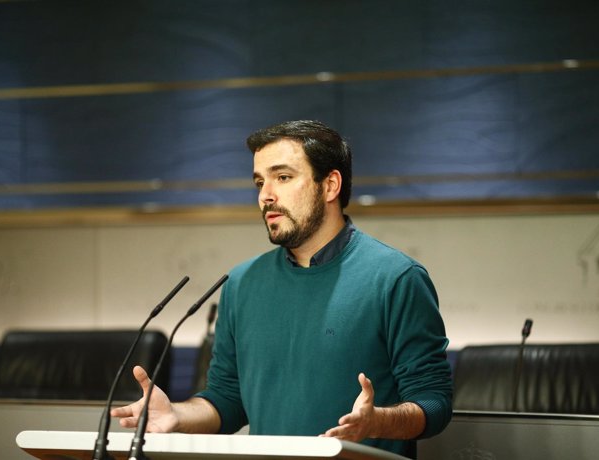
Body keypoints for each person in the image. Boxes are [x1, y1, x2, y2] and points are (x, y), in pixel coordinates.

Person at [112, 120, 452, 458]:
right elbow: (228, 401)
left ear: (330, 185)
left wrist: (379, 422)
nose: (265, 195)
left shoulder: (396, 277)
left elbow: (434, 403)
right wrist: (177, 415)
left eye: (283, 177)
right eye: (260, 181)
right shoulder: (242, 283)